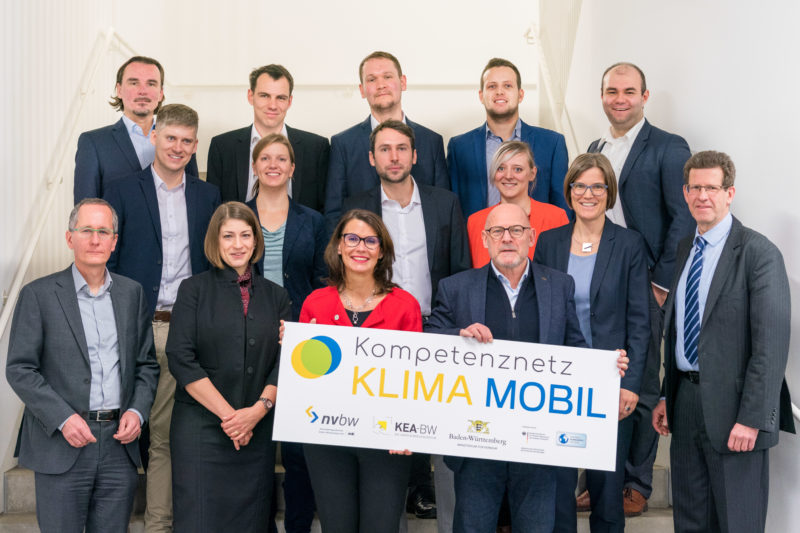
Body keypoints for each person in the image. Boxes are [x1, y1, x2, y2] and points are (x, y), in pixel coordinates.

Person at [426, 203, 628, 533]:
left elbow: (574, 348)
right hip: (477, 443)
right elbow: (430, 340)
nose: (507, 238)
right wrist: (456, 336)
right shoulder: (456, 287)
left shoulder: (559, 285)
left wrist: (605, 366)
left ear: (531, 236)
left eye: (516, 230)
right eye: (497, 232)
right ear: (484, 239)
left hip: (538, 443)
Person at [652, 151, 793, 532]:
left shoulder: (758, 253)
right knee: (691, 521)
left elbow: (771, 345)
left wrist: (751, 418)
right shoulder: (685, 249)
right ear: (684, 192)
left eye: (711, 188)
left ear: (729, 193)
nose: (703, 196)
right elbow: (680, 331)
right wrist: (667, 395)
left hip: (735, 414)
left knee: (737, 523)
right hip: (685, 407)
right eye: (695, 188)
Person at [342, 119, 471, 528]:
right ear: (371, 158)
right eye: (384, 149)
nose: (393, 156)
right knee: (386, 438)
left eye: (401, 148)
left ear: (415, 156)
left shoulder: (444, 202)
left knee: (446, 442)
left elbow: (458, 269)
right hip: (380, 331)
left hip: (437, 327)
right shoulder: (356, 207)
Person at [6, 198, 159, 533]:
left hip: (120, 445)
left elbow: (146, 364)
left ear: (114, 241)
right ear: (69, 237)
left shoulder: (131, 294)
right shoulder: (39, 295)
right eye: (86, 230)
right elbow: (20, 368)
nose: (95, 239)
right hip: (63, 443)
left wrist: (137, 411)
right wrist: (63, 417)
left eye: (103, 231)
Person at [103, 103, 220, 533]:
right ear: (154, 136)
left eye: (188, 141)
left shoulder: (209, 195)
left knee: (166, 435)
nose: (179, 147)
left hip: (184, 329)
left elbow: (215, 262)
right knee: (123, 427)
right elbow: (106, 260)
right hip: (131, 326)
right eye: (171, 137)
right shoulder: (121, 190)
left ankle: (157, 526)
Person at [584, 62, 694, 516]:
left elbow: (682, 217)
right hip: (600, 278)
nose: (620, 98)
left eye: (629, 90)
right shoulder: (596, 147)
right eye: (612, 90)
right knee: (602, 378)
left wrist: (662, 283)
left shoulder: (669, 147)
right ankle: (602, 478)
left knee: (643, 380)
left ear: (644, 96)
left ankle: (637, 482)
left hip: (646, 281)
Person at [535, 153, 650, 533]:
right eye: (580, 186)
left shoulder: (630, 244)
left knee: (606, 485)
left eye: (597, 186)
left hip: (609, 381)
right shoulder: (549, 243)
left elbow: (640, 320)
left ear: (608, 192)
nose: (588, 193)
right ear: (569, 193)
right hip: (560, 381)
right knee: (559, 484)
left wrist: (630, 385)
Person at [166, 202, 291, 532]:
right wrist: (232, 418)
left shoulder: (277, 296)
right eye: (228, 236)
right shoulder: (192, 290)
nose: (238, 244)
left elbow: (285, 362)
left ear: (256, 240)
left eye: (246, 235)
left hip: (257, 430)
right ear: (215, 242)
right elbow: (181, 357)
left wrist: (256, 412)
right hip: (201, 431)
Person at [299, 209, 421, 533]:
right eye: (352, 239)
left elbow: (415, 378)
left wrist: (406, 428)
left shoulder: (405, 305)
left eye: (370, 240)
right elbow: (307, 376)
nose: (360, 248)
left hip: (386, 438)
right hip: (326, 437)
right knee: (336, 526)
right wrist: (294, 346)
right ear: (339, 246)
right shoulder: (315, 303)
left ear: (381, 250)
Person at [244, 133, 326, 532]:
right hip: (247, 340)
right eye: (266, 158)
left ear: (292, 168)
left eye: (282, 158)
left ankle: (296, 526)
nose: (274, 164)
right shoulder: (235, 217)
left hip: (301, 343)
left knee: (297, 451)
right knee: (254, 446)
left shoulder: (313, 220)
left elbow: (325, 281)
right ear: (255, 166)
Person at [324, 51, 449, 229]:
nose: (381, 85)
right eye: (372, 79)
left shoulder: (431, 141)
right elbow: (333, 215)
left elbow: (444, 210)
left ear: (402, 82)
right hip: (363, 252)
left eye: (387, 76)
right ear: (362, 90)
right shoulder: (343, 144)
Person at [448, 58, 569, 218]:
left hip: (538, 240)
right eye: (492, 86)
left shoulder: (552, 144)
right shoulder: (459, 147)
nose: (499, 92)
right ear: (481, 96)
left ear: (520, 95)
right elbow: (452, 210)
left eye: (507, 85)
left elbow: (563, 206)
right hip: (478, 240)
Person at [207, 64, 330, 211]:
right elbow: (213, 211)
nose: (272, 105)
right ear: (250, 96)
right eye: (264, 96)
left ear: (289, 101)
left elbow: (324, 211)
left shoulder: (316, 148)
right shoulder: (222, 147)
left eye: (280, 98)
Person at [74, 56, 198, 202]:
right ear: (119, 90)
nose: (142, 91)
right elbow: (85, 210)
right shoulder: (93, 143)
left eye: (151, 84)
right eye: (134, 83)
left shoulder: (180, 141)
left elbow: (193, 196)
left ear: (160, 93)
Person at [467, 141, 567, 266]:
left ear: (532, 173)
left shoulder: (555, 218)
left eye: (518, 169)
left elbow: (562, 272)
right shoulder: (475, 222)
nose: (508, 176)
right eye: (501, 168)